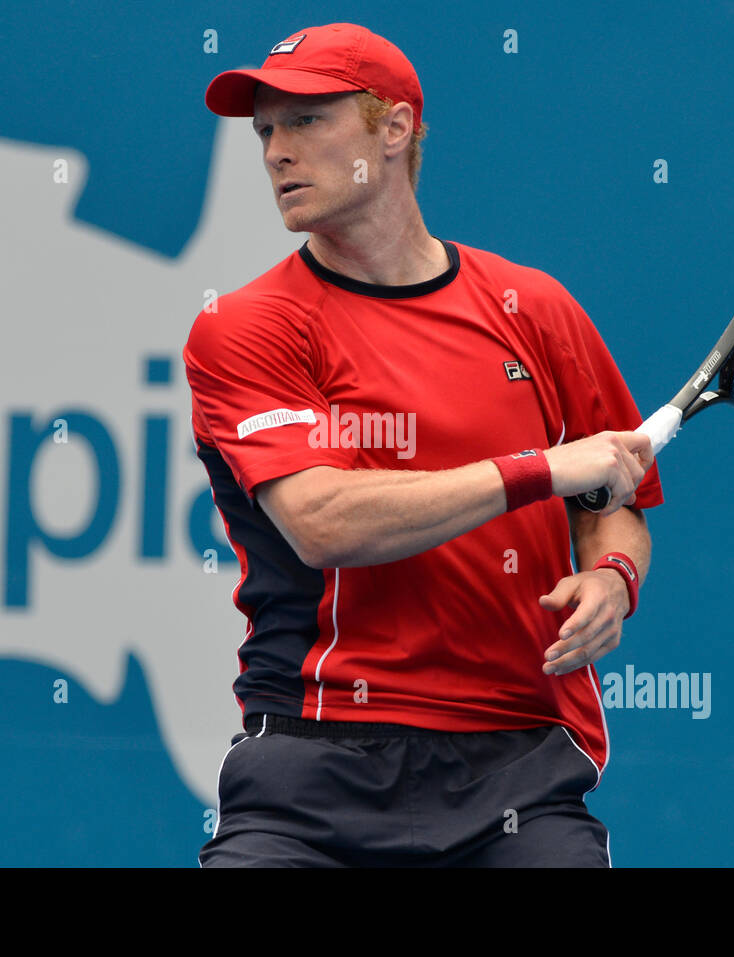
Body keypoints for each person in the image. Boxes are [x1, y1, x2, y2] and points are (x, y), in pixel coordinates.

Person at [185, 22, 661, 867]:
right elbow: (323, 520)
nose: (275, 153)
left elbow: (611, 506)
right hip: (310, 764)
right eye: (266, 130)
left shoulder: (536, 309)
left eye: (305, 121)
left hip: (519, 766)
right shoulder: (248, 326)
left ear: (394, 128)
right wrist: (541, 468)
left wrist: (614, 579)